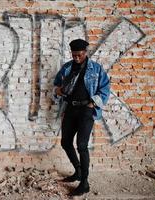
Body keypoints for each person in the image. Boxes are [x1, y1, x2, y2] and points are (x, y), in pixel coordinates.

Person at [53, 39, 110, 196]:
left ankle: (84, 182)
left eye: (79, 55)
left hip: (86, 110)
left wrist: (93, 103)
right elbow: (56, 84)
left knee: (82, 145)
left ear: (86, 52)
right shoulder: (67, 67)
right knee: (65, 142)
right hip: (70, 108)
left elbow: (105, 89)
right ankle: (78, 171)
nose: (76, 58)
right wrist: (57, 91)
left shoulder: (96, 69)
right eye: (73, 55)